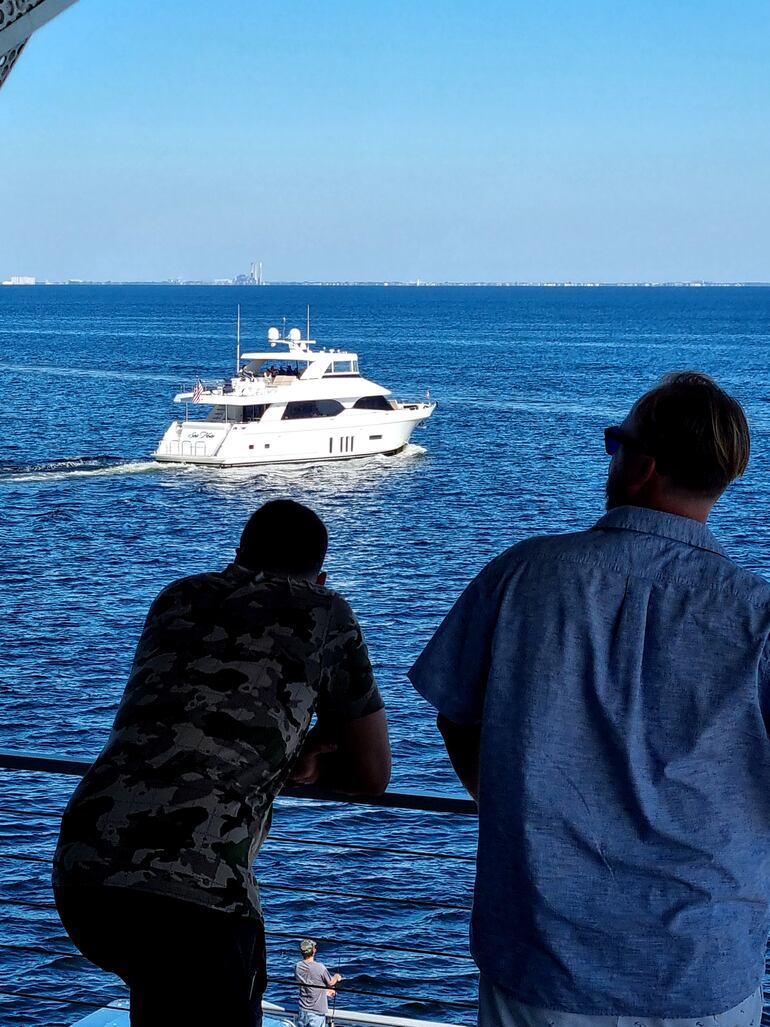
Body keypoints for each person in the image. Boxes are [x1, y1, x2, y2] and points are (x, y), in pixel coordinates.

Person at [409, 372, 770, 1027]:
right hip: (702, 967)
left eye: (615, 442)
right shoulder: (757, 617)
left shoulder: (521, 576)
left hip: (541, 960)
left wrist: (507, 803)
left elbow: (455, 711)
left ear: (643, 466)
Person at [53, 499, 390, 1027]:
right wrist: (309, 758)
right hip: (196, 893)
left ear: (236, 556)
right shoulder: (326, 612)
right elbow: (373, 775)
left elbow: (198, 713)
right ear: (319, 578)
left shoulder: (178, 596)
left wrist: (286, 753)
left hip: (86, 868)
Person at [295, 938, 342, 1027]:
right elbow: (331, 983)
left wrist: (324, 992)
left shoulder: (297, 966)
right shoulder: (320, 967)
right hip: (316, 1013)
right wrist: (336, 977)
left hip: (302, 1010)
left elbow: (309, 984)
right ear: (314, 951)